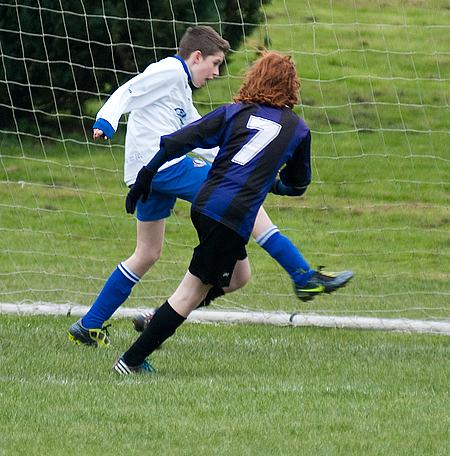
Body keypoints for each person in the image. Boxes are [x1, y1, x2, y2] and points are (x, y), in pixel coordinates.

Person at [69, 28, 353, 348]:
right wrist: (106, 120)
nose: (217, 73)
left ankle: (90, 324)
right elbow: (129, 91)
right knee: (242, 199)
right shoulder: (169, 70)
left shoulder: (180, 91)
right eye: (215, 64)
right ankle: (302, 275)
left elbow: (198, 136)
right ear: (197, 57)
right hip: (163, 168)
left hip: (145, 174)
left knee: (147, 253)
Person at [114, 49, 321, 374]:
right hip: (231, 216)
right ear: (292, 86)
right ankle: (130, 361)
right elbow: (297, 186)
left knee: (240, 277)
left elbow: (175, 141)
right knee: (190, 292)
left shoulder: (235, 112)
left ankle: (157, 320)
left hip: (206, 204)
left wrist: (145, 176)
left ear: (254, 78)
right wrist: (271, 184)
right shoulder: (297, 128)